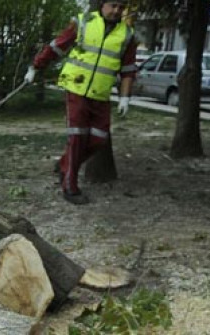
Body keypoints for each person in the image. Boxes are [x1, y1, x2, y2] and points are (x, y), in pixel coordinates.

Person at [24, 0, 138, 205]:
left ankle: (65, 164)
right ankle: (70, 186)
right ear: (103, 5)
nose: (116, 11)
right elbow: (57, 46)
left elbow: (128, 69)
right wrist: (35, 66)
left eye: (121, 7)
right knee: (77, 137)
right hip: (76, 87)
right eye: (113, 5)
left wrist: (125, 97)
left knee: (99, 140)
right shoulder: (83, 22)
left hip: (101, 94)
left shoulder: (127, 35)